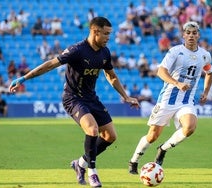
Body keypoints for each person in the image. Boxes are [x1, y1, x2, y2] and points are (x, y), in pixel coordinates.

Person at [9, 17, 139, 187]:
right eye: (106, 34)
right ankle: (92, 172)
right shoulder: (77, 50)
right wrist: (24, 78)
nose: (109, 38)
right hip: (73, 98)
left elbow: (111, 76)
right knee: (92, 129)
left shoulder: (105, 52)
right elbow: (50, 65)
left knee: (110, 136)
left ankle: (80, 163)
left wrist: (126, 96)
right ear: (95, 31)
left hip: (91, 98)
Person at [128, 21, 212, 174]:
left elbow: (209, 73)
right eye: (188, 33)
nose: (191, 36)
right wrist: (177, 83)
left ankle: (163, 149)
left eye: (194, 33)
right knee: (152, 135)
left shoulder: (205, 55)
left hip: (186, 101)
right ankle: (134, 161)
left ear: (198, 35)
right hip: (167, 99)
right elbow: (161, 71)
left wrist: (206, 92)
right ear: (183, 35)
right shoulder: (175, 52)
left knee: (189, 127)